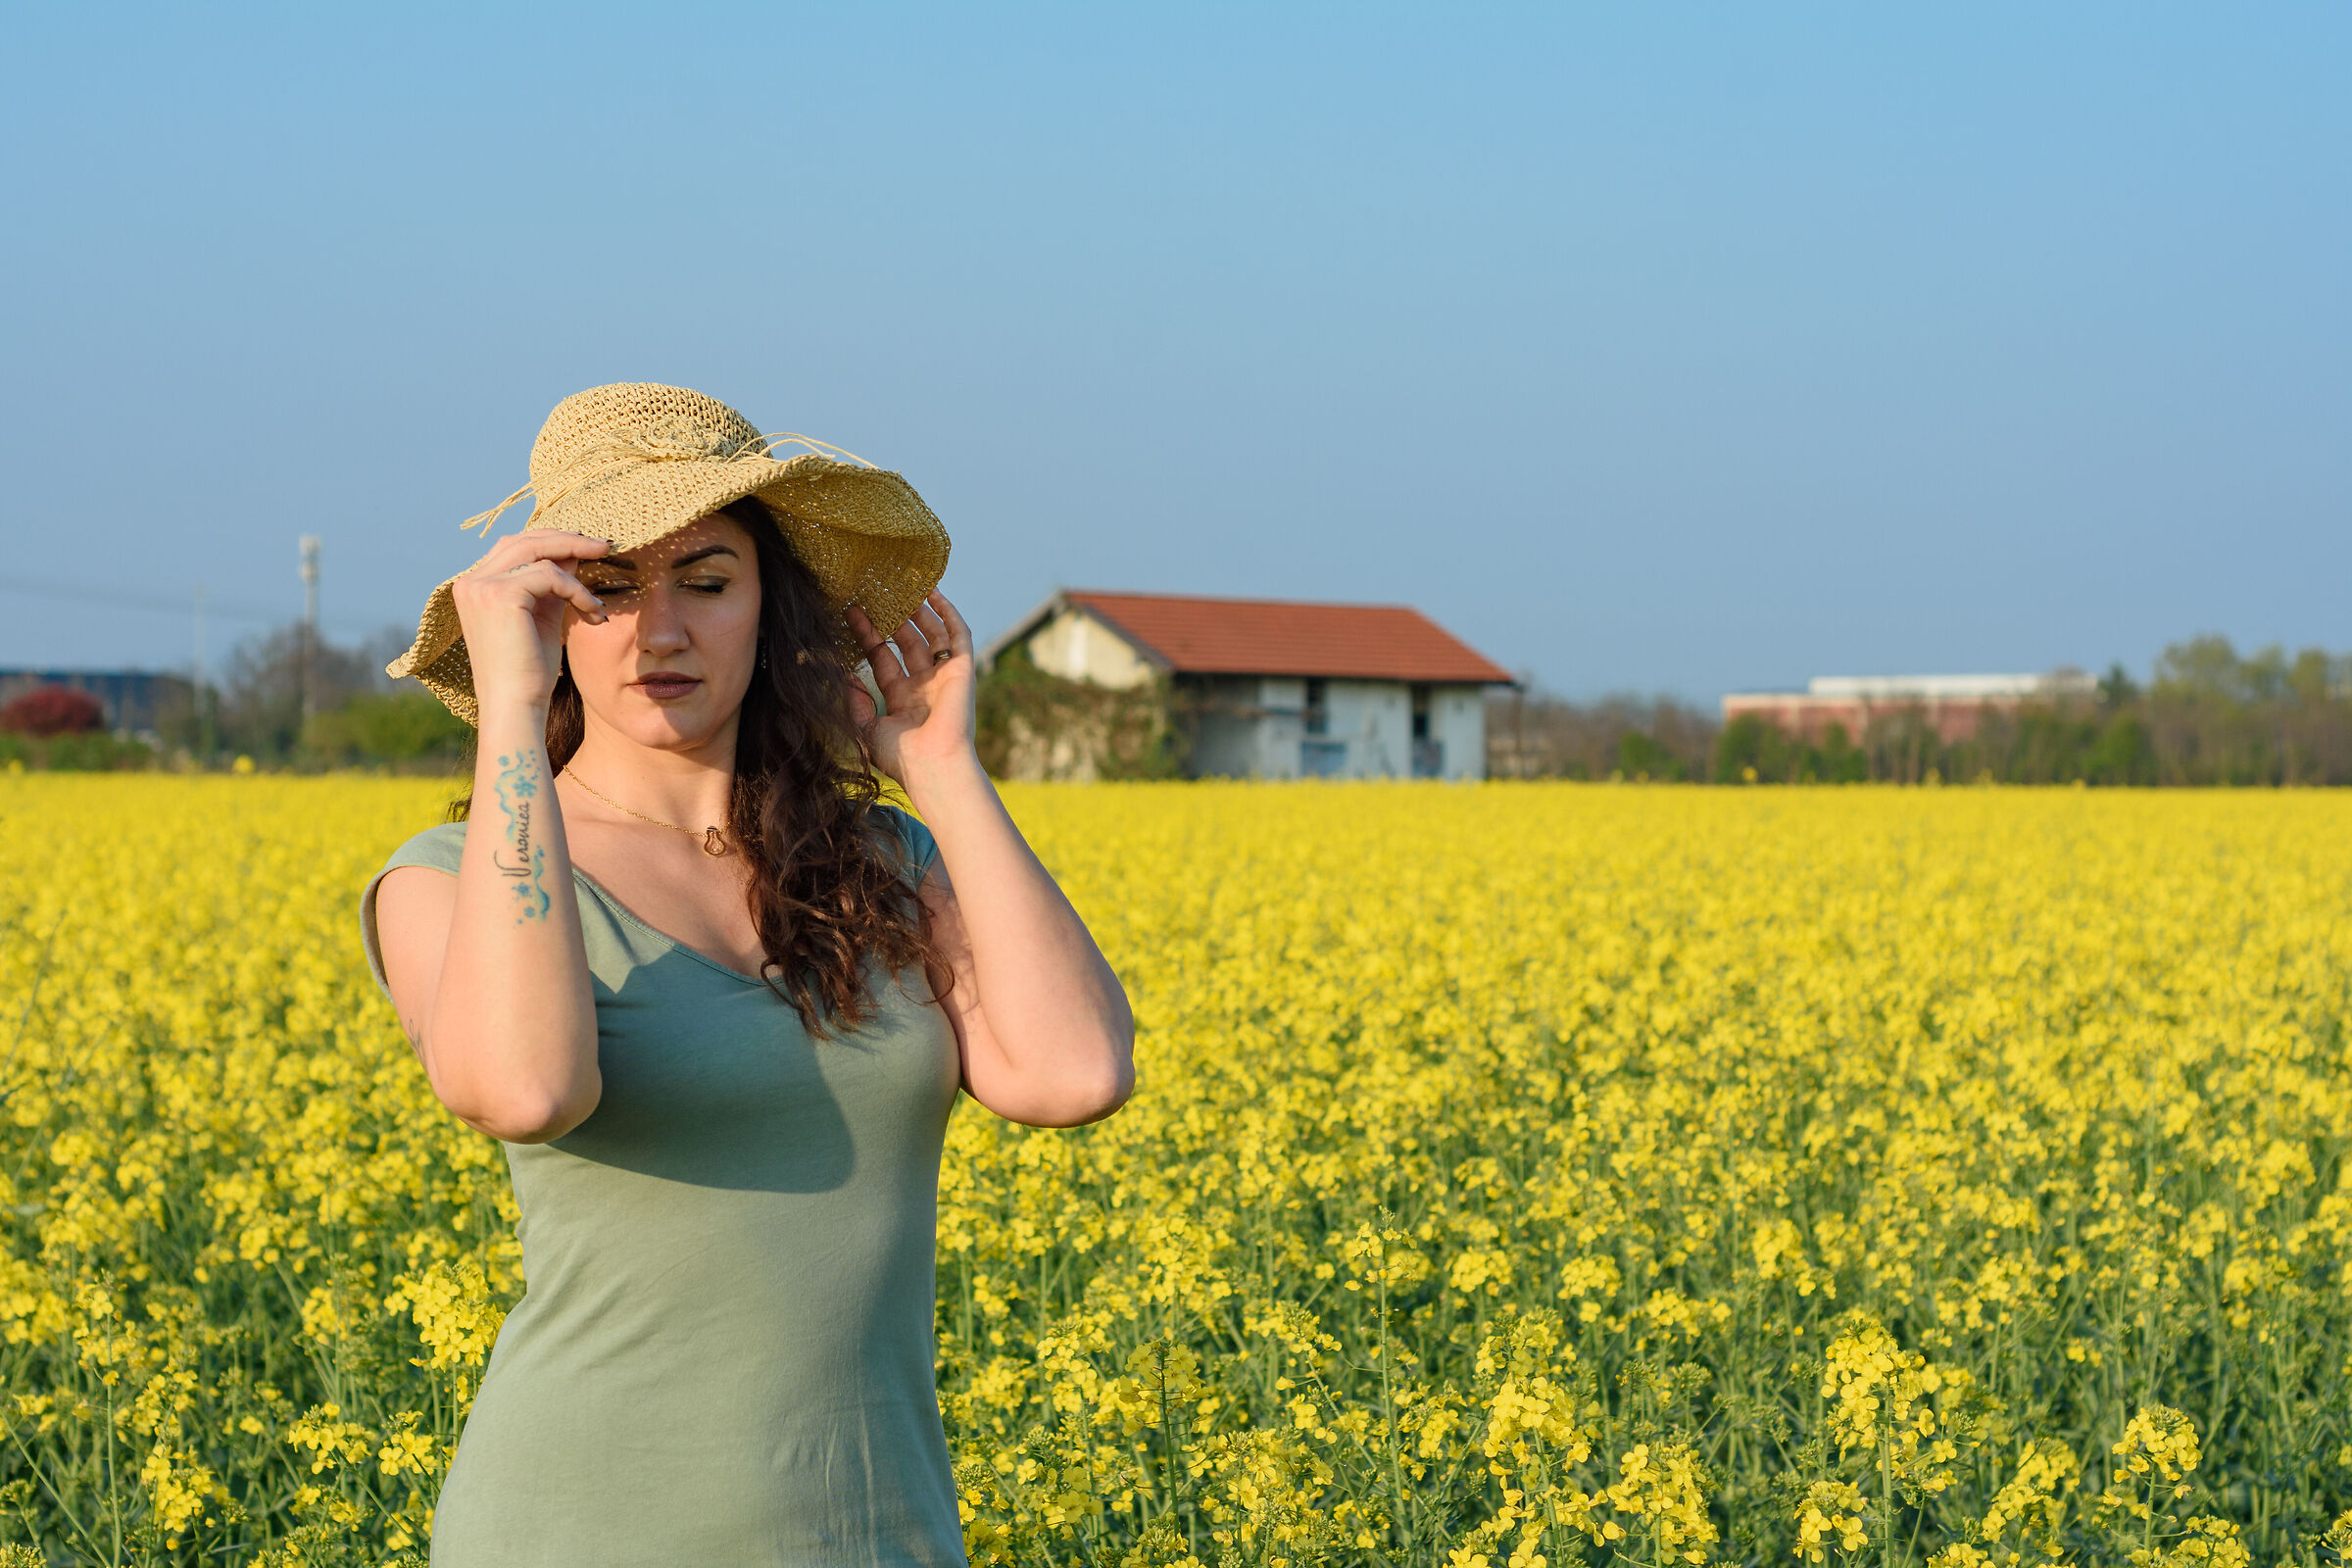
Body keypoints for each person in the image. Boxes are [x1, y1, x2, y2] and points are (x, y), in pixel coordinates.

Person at [359, 383, 1134, 1566]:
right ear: (549, 618)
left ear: (772, 610)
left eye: (708, 581)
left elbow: (1074, 1072)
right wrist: (510, 712)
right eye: (605, 589)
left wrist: (942, 769)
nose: (658, 632)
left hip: (878, 1535)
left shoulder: (888, 860)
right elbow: (524, 1089)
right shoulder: (447, 878)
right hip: (575, 1534)